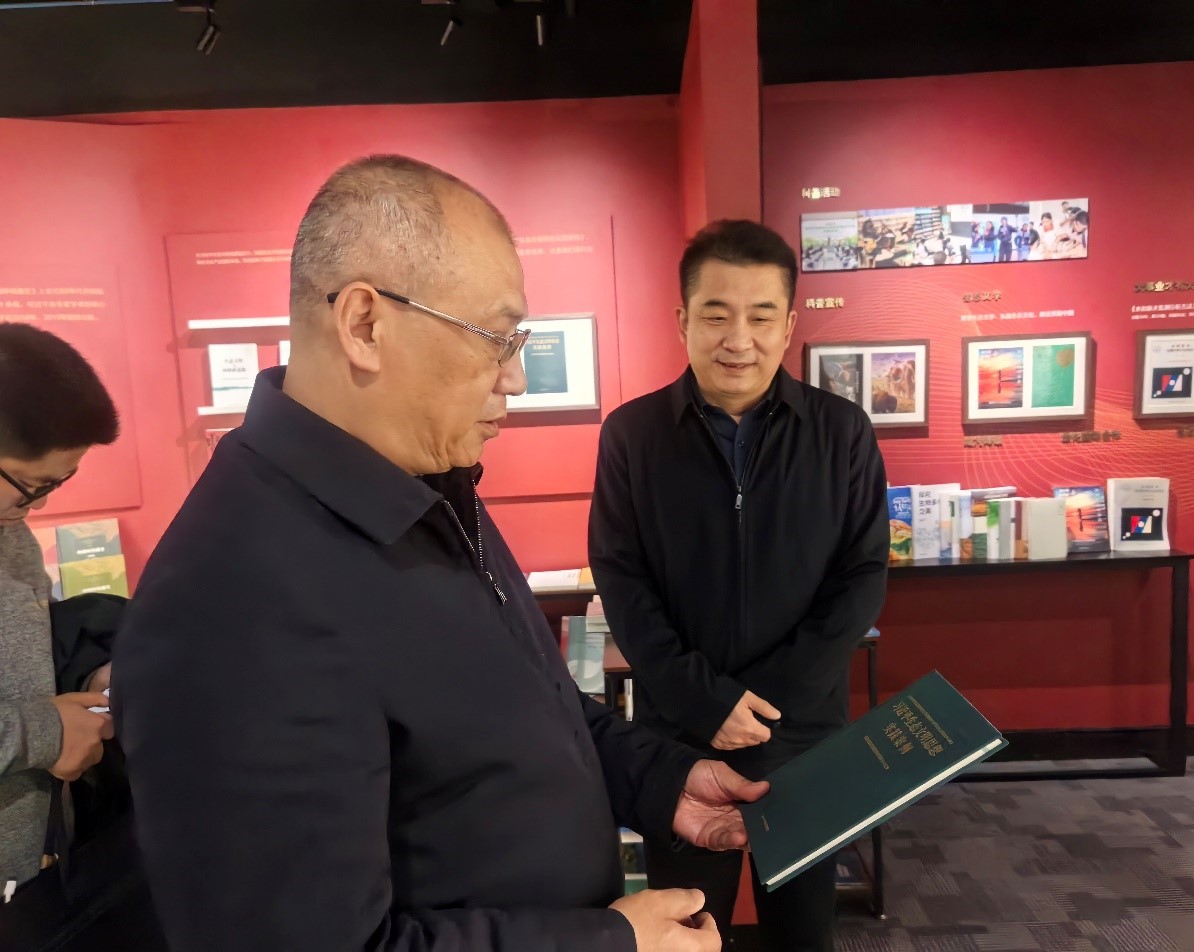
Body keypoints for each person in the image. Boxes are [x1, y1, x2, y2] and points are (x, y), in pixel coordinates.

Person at [113, 154, 768, 952]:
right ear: (364, 324)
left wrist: (659, 781)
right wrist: (606, 945)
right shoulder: (231, 602)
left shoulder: (422, 483)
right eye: (495, 339)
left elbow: (520, 712)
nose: (515, 378)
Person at [588, 220, 889, 952]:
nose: (738, 340)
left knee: (804, 931)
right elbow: (621, 576)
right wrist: (706, 701)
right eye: (716, 315)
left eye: (760, 317)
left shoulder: (841, 431)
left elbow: (860, 575)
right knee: (690, 929)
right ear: (682, 320)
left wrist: (765, 704)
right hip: (682, 737)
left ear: (788, 324)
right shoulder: (632, 434)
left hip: (803, 735)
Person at [0, 323, 118, 890]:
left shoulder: (10, 530)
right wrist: (44, 732)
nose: (40, 505)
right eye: (31, 484)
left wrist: (90, 674)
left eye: (59, 483)